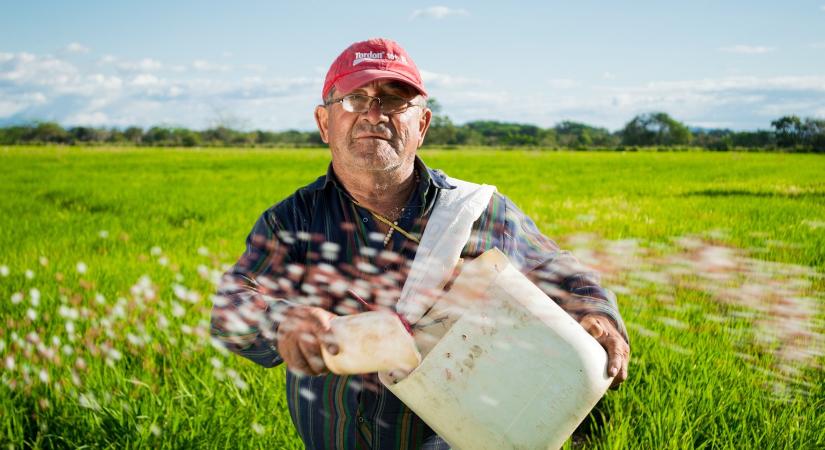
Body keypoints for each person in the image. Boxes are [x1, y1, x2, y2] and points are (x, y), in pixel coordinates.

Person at [211, 37, 630, 450]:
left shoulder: (473, 211)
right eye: (356, 99)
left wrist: (596, 313)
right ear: (324, 123)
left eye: (394, 101)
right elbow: (232, 304)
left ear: (422, 125)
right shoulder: (293, 220)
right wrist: (282, 323)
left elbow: (559, 271)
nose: (374, 114)